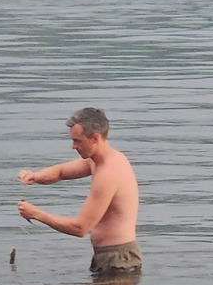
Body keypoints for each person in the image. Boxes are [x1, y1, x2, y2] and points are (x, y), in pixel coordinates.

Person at [16, 107, 142, 275]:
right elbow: (61, 172)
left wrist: (36, 214)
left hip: (118, 261)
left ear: (95, 138)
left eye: (78, 141)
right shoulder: (98, 160)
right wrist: (35, 176)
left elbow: (80, 228)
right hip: (109, 257)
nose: (73, 146)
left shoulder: (109, 174)